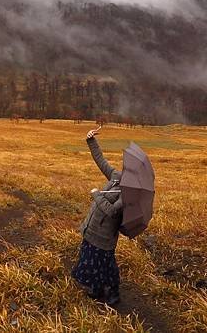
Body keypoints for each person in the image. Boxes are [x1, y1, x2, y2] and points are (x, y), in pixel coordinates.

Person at [71, 125, 123, 306]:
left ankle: (114, 292)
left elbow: (112, 211)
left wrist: (96, 194)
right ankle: (97, 289)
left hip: (105, 238)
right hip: (91, 229)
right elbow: (101, 160)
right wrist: (91, 140)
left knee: (107, 267)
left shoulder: (128, 193)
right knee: (90, 262)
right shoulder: (116, 176)